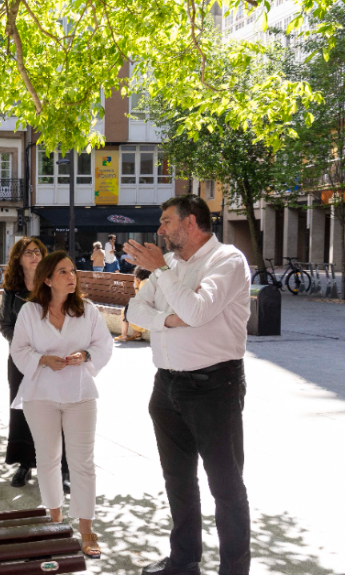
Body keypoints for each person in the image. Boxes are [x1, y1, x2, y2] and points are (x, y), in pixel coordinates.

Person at [125, 194, 252, 575]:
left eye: (166, 221)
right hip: (166, 387)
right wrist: (169, 319)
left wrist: (162, 273)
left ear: (191, 222)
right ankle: (184, 560)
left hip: (214, 387)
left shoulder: (227, 261)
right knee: (178, 480)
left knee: (225, 485)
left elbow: (196, 311)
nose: (160, 230)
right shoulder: (174, 265)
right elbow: (134, 310)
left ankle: (234, 570)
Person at [10, 251, 113, 559]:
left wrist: (86, 355)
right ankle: (56, 522)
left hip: (80, 392)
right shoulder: (30, 312)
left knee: (83, 463)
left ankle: (86, 529)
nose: (72, 276)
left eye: (72, 271)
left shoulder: (88, 310)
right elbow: (18, 350)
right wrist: (41, 359)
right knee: (48, 459)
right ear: (47, 279)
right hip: (40, 394)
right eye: (64, 272)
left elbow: (103, 345)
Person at [0, 237, 72, 491]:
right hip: (22, 361)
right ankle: (25, 464)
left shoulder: (53, 284)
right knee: (22, 412)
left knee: (57, 412)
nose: (34, 256)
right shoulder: (12, 290)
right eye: (28, 252)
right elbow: (4, 324)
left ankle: (63, 468)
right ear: (18, 259)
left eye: (38, 252)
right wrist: (24, 346)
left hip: (55, 360)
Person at [115, 267, 151, 342]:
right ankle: (136, 333)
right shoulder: (149, 281)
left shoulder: (144, 282)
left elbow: (139, 299)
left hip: (146, 315)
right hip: (151, 310)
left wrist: (136, 287)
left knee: (125, 310)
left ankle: (124, 335)